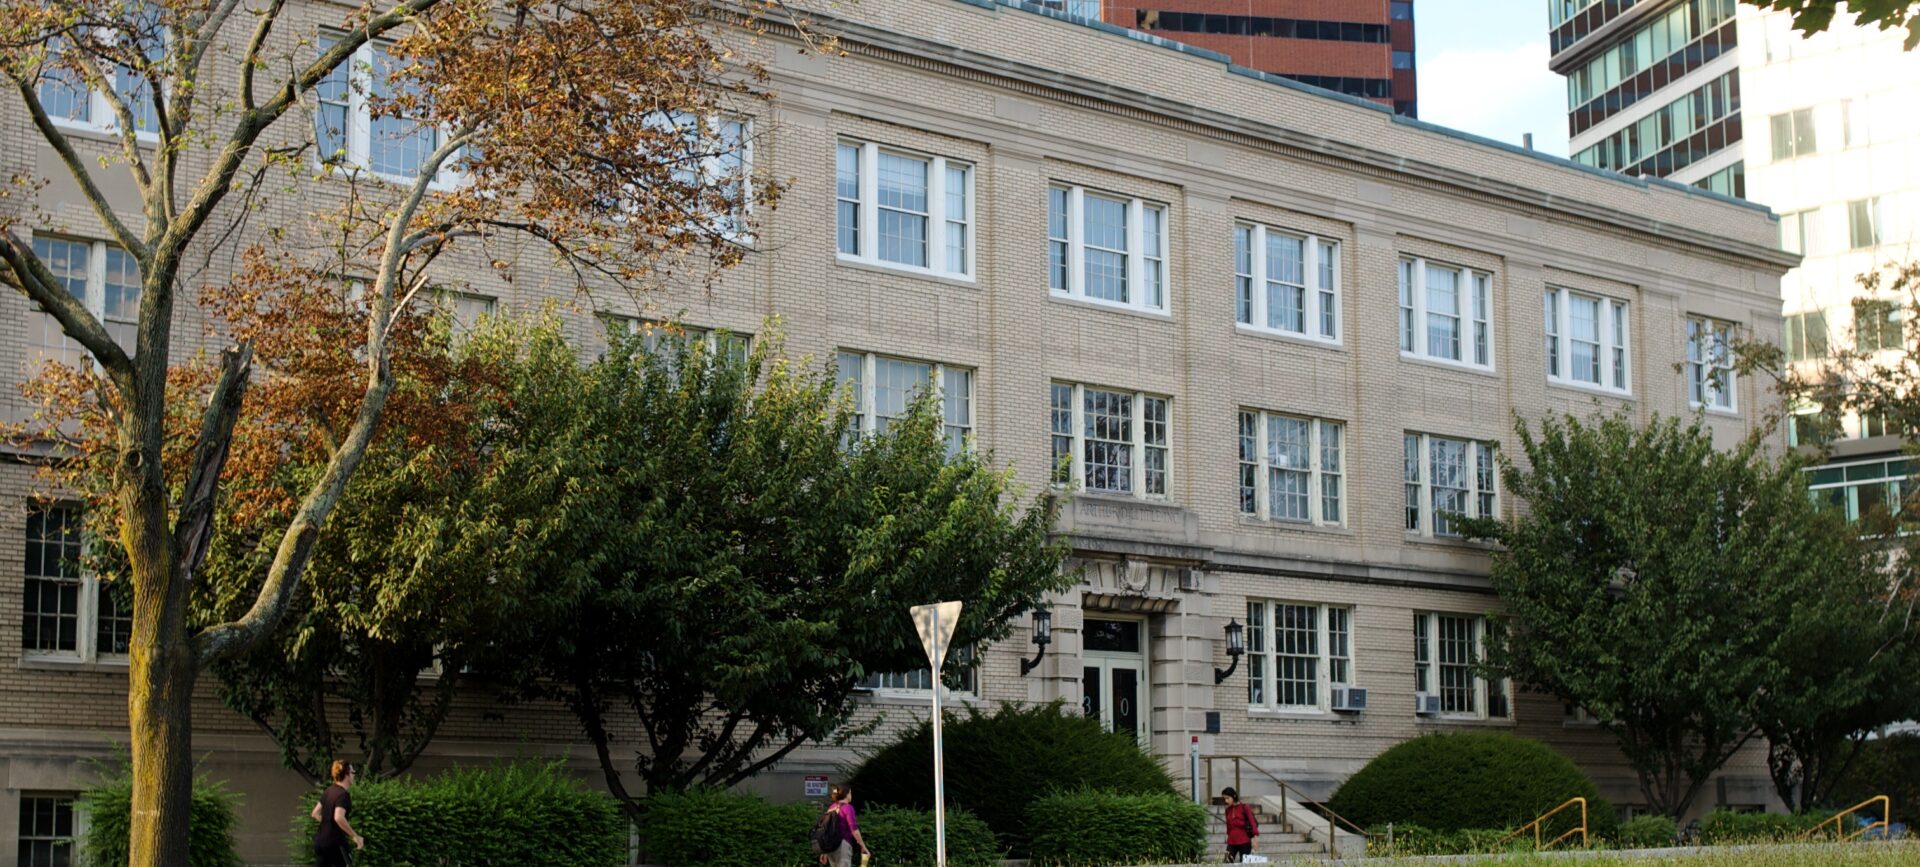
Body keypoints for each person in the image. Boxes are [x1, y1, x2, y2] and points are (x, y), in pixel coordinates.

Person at [310, 759, 364, 866]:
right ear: (347, 775)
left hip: (320, 842)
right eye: (353, 772)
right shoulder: (343, 795)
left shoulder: (328, 791)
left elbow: (315, 813)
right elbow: (339, 817)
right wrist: (355, 836)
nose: (354, 775)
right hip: (335, 844)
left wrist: (329, 824)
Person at [817, 783, 871, 867]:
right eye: (850, 793)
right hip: (843, 845)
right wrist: (863, 847)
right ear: (846, 794)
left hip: (831, 846)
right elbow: (854, 830)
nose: (851, 795)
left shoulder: (832, 807)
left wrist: (824, 851)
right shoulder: (848, 808)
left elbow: (826, 830)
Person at [1223, 786, 1259, 863]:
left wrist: (1254, 839)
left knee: (1244, 864)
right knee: (1226, 862)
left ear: (1234, 796)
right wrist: (1227, 835)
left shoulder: (1244, 807)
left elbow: (1252, 822)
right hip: (1231, 841)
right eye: (1224, 798)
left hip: (1244, 841)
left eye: (1228, 798)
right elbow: (1228, 826)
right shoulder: (1227, 810)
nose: (1226, 801)